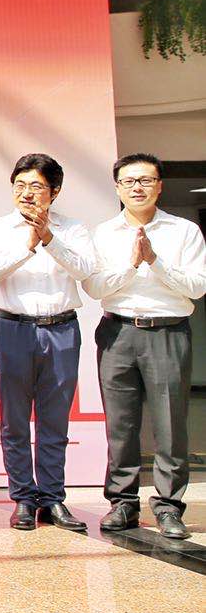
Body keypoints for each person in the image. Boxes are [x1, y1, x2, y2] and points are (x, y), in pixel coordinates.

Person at [83, 153, 206, 539]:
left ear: (159, 186)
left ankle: (169, 507)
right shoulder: (104, 233)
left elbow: (197, 286)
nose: (137, 187)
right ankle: (123, 503)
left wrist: (155, 262)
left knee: (170, 423)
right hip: (118, 332)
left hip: (168, 332)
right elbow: (94, 287)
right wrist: (133, 265)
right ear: (118, 187)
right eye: (129, 181)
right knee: (121, 424)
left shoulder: (184, 231)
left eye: (145, 180)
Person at [0, 154, 97, 533]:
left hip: (61, 328)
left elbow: (85, 270)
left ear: (54, 191)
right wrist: (28, 244)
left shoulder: (73, 229)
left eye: (36, 186)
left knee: (54, 419)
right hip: (13, 328)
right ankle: (23, 499)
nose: (26, 193)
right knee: (14, 419)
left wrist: (50, 239)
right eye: (20, 185)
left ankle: (52, 498)